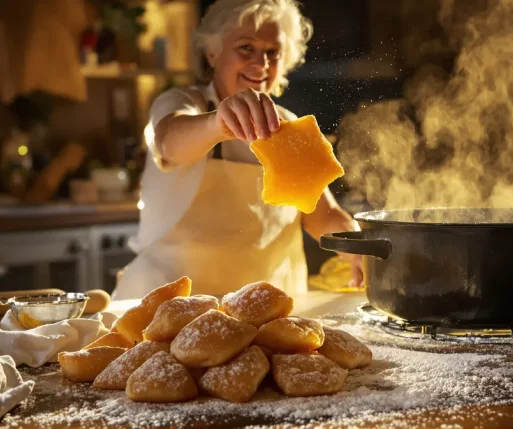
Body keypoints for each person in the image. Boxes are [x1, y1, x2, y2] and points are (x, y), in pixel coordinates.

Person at [113, 0, 362, 299]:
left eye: (273, 52)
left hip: (266, 311)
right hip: (172, 307)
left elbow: (322, 214)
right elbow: (168, 142)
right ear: (213, 52)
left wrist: (360, 248)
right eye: (246, 48)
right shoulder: (181, 103)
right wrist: (219, 122)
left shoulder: (290, 126)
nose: (261, 64)